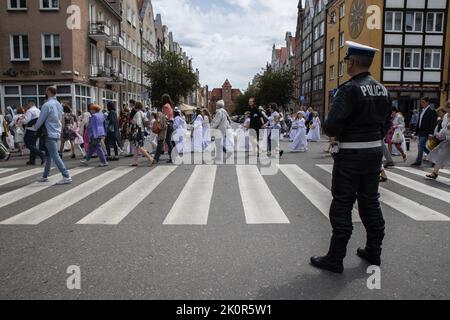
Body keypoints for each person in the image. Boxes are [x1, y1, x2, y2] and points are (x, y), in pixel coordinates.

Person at [310, 41, 392, 273]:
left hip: (351, 155)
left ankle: (335, 259)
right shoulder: (383, 89)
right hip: (374, 153)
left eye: (346, 60)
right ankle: (373, 251)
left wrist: (337, 130)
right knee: (370, 202)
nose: (346, 63)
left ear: (353, 61)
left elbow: (332, 126)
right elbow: (385, 124)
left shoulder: (349, 89)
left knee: (342, 205)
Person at [35, 86, 72, 185]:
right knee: (49, 155)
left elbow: (41, 119)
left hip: (48, 132)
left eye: (46, 91)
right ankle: (45, 175)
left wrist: (35, 128)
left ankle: (66, 175)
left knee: (54, 155)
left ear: (48, 92)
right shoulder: (59, 105)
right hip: (56, 131)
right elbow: (60, 118)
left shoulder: (47, 105)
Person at [426, 102, 450, 179]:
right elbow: (444, 127)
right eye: (448, 107)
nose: (448, 109)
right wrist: (440, 134)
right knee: (440, 155)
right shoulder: (446, 116)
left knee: (442, 154)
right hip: (447, 139)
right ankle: (434, 173)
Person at [411, 97, 437, 166]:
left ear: (427, 102)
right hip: (420, 131)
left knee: (420, 146)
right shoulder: (422, 110)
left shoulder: (432, 110)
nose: (421, 103)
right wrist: (415, 131)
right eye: (421, 102)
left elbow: (433, 123)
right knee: (423, 147)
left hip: (426, 132)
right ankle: (434, 158)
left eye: (423, 102)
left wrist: (431, 133)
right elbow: (419, 122)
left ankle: (418, 161)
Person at [129, 102, 154, 167]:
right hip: (142, 131)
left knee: (139, 146)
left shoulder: (137, 113)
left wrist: (134, 132)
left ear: (135, 107)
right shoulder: (142, 113)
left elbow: (138, 123)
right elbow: (145, 121)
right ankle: (135, 161)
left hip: (138, 131)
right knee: (136, 147)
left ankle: (150, 158)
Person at [23, 100, 45, 165]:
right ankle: (32, 160)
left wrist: (22, 120)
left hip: (30, 129)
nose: (27, 105)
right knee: (33, 144)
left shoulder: (30, 111)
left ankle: (41, 154)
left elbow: (26, 121)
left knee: (28, 144)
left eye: (28, 104)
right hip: (37, 129)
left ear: (30, 104)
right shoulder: (39, 111)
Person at [162, 94, 175, 163]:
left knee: (168, 141)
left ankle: (173, 156)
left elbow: (165, 116)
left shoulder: (166, 106)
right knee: (168, 141)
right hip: (171, 123)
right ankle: (172, 157)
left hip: (168, 124)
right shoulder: (170, 106)